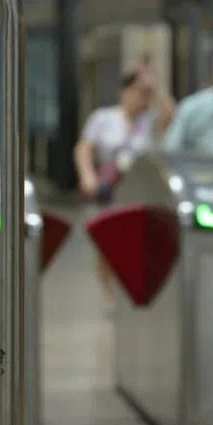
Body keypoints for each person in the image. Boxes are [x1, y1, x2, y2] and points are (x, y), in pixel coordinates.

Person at [74, 64, 170, 301]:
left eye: (147, 93)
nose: (142, 97)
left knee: (138, 245)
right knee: (108, 246)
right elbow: (84, 148)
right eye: (139, 91)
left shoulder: (149, 122)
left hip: (139, 192)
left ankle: (132, 288)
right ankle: (110, 292)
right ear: (125, 91)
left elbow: (170, 110)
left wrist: (155, 87)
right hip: (109, 190)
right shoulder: (104, 118)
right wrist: (88, 176)